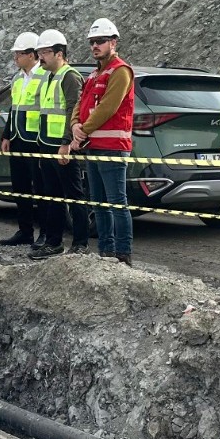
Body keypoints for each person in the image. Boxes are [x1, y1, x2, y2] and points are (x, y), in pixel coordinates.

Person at [72, 18, 135, 264]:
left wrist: (83, 130)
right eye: (92, 42)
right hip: (94, 147)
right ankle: (106, 251)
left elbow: (108, 107)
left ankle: (123, 254)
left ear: (113, 42)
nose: (95, 46)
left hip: (113, 149)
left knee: (117, 202)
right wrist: (75, 126)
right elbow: (80, 103)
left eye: (100, 41)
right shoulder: (94, 74)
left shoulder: (120, 71)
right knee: (98, 204)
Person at [29, 29, 88, 259]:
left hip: (62, 147)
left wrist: (66, 143)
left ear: (59, 53)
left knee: (73, 195)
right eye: (39, 52)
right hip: (47, 145)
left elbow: (74, 111)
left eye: (45, 52)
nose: (40, 57)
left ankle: (80, 243)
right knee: (53, 196)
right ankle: (54, 242)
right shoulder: (49, 76)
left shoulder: (69, 77)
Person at [0, 32, 48, 247]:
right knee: (20, 187)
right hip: (18, 138)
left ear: (31, 55)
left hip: (36, 140)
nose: (15, 58)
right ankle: (25, 231)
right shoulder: (18, 78)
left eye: (18, 54)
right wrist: (6, 134)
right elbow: (14, 107)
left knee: (41, 189)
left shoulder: (45, 76)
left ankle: (45, 233)